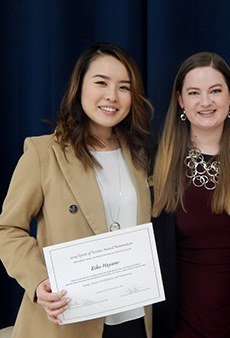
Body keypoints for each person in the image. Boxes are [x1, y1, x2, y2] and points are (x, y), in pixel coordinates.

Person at [0, 42, 152, 338]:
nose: (112, 96)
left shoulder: (140, 156)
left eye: (124, 87)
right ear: (79, 86)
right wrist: (38, 280)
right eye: (101, 83)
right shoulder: (44, 153)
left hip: (133, 316)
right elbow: (8, 229)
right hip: (68, 318)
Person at [151, 51, 230, 337]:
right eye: (194, 93)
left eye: (215, 91)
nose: (205, 102)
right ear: (181, 101)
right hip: (177, 328)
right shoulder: (157, 163)